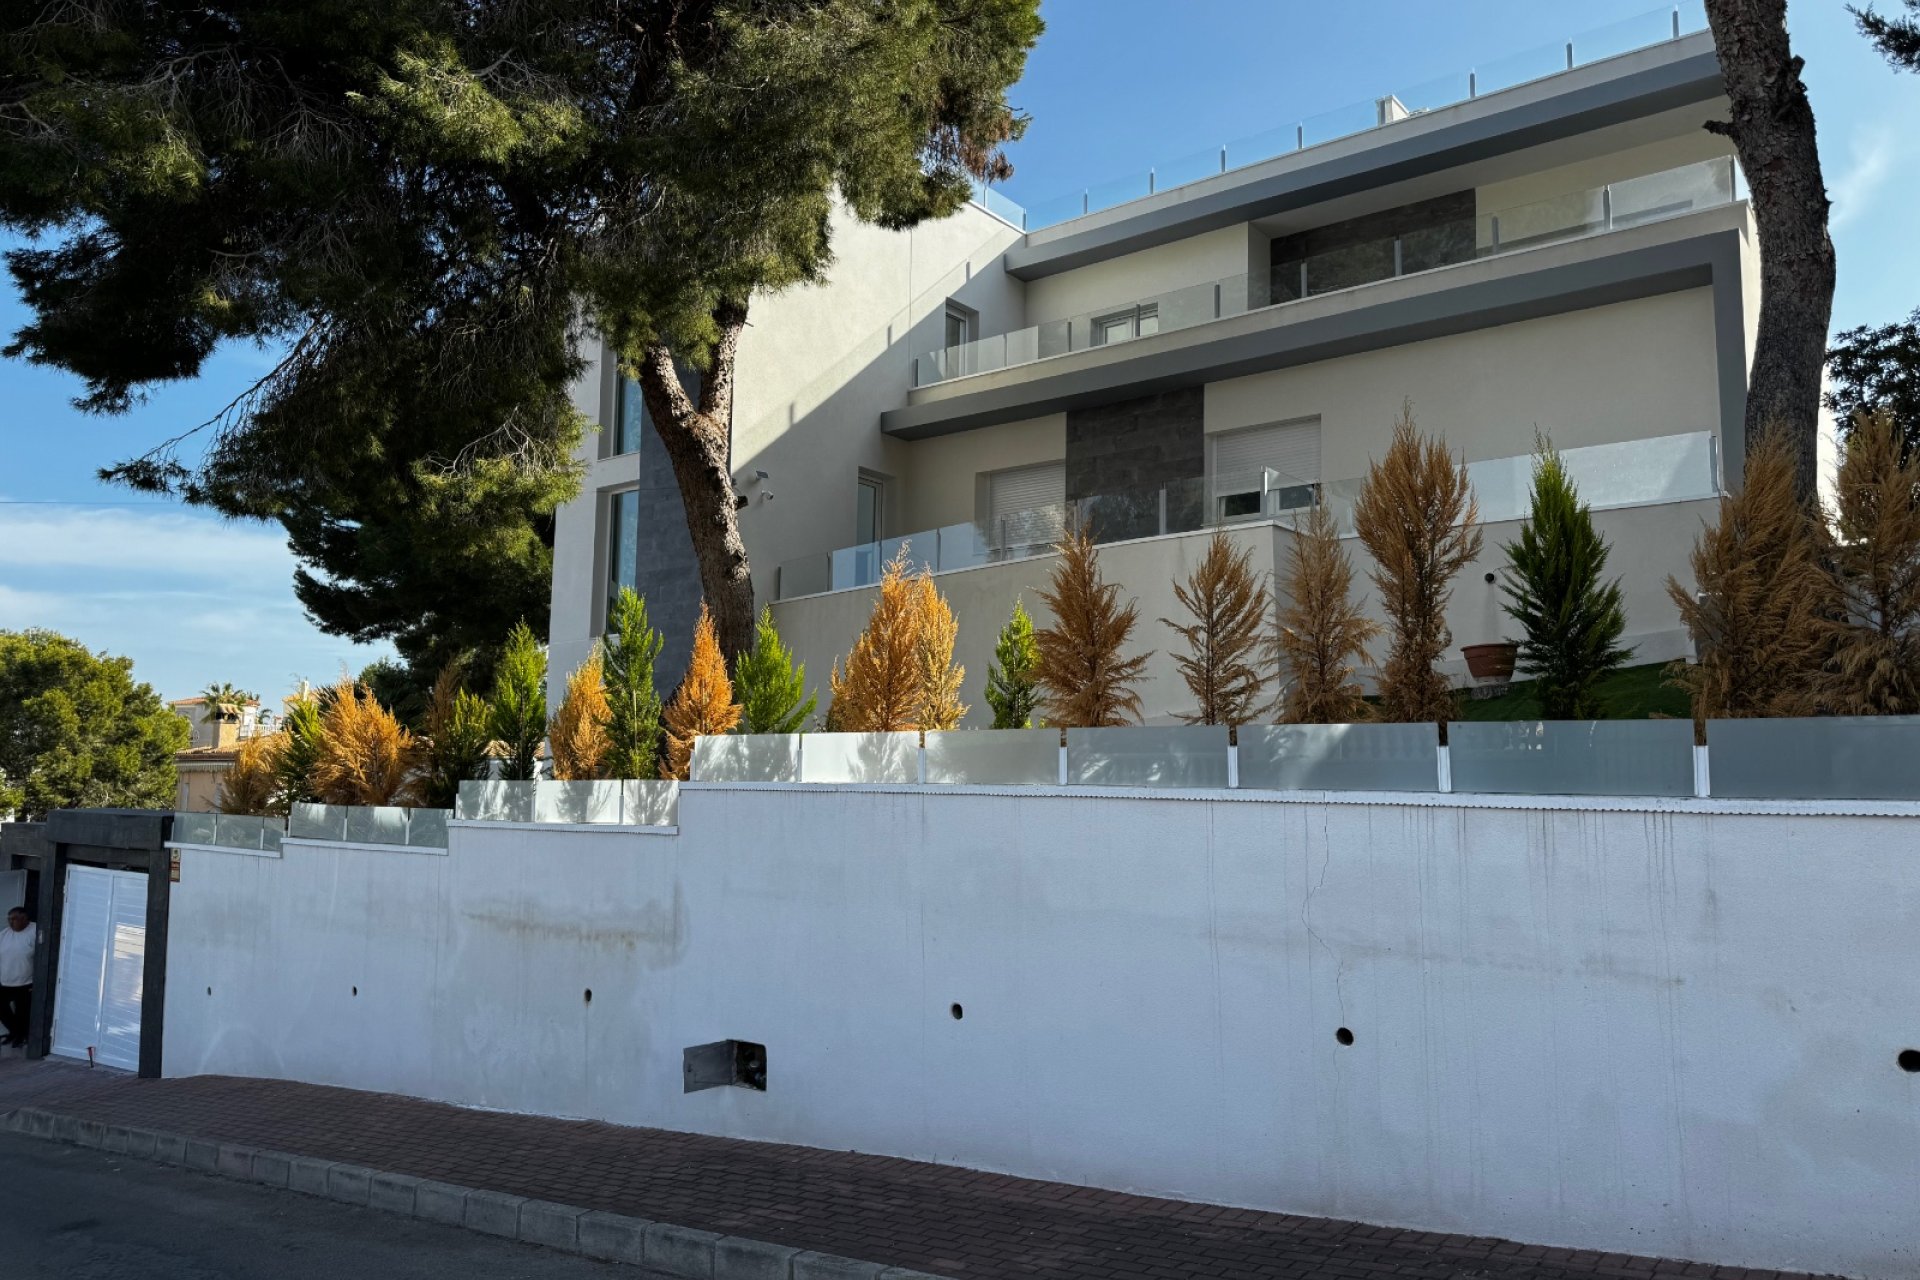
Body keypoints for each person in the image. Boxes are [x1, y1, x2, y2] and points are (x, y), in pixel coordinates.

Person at [0, 906, 35, 1049]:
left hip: (26, 981)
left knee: (22, 1011)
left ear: (24, 918)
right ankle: (15, 1032)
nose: (10, 922)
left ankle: (21, 1036)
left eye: (14, 919)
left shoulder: (34, 931)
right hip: (5, 980)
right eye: (9, 919)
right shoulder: (5, 934)